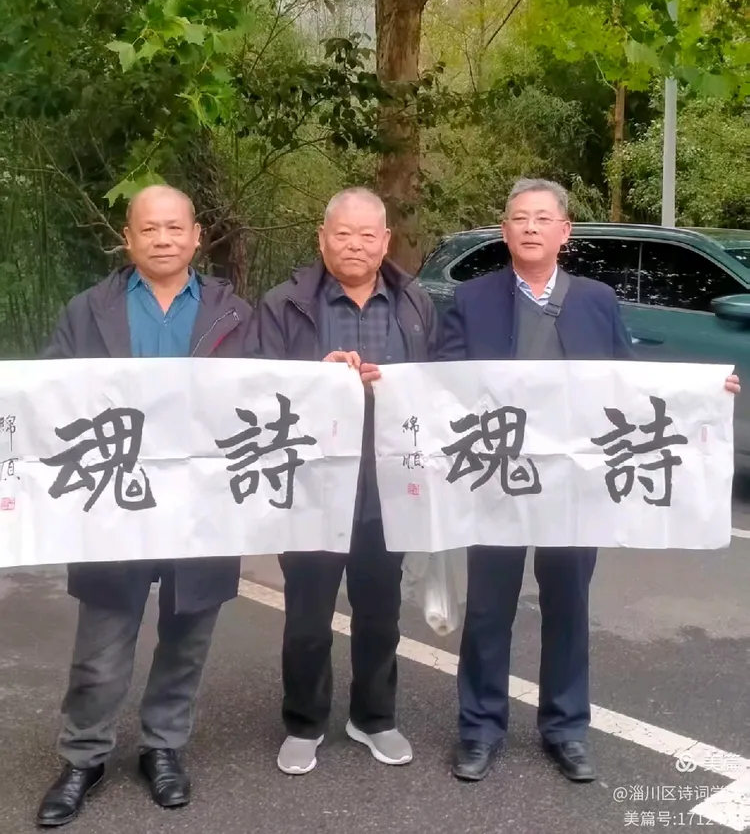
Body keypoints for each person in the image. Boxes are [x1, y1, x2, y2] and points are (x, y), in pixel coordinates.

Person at [440, 178, 741, 786]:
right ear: (505, 231)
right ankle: (479, 728)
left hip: (575, 483)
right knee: (489, 607)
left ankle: (566, 728)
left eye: (542, 218)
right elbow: (441, 379)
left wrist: (700, 395)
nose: (530, 227)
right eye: (519, 217)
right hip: (498, 473)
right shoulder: (471, 299)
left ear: (564, 232)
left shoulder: (596, 300)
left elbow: (627, 384)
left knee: (568, 605)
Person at [36, 185, 257, 828]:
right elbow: (49, 390)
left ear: (196, 236)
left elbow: (274, 387)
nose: (163, 239)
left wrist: (331, 377)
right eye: (149, 228)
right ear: (127, 239)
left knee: (187, 637)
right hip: (115, 498)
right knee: (102, 643)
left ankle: (163, 748)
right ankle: (83, 757)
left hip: (202, 504)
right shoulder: (89, 310)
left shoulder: (233, 312)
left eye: (174, 227)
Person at [257, 187, 438, 776]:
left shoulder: (415, 304)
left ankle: (374, 717)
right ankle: (304, 722)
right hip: (311, 487)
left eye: (367, 235)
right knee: (307, 616)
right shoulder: (285, 304)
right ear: (322, 238)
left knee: (380, 613)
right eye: (342, 233)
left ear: (386, 241)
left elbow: (440, 386)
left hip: (387, 488)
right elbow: (257, 386)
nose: (354, 245)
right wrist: (317, 379)